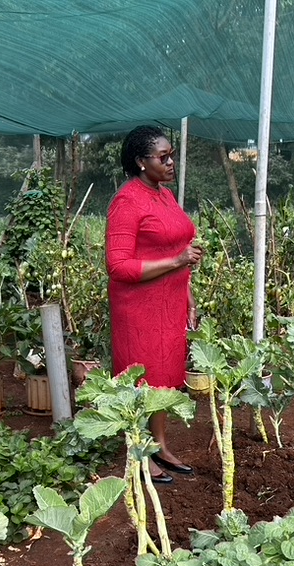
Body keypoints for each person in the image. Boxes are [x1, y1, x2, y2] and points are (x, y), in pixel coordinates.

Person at [105, 125, 203, 484]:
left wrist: (188, 295)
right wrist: (177, 262)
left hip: (170, 303)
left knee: (164, 379)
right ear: (140, 161)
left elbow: (177, 250)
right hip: (139, 307)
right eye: (163, 157)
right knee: (143, 379)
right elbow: (117, 265)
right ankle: (137, 453)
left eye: (171, 154)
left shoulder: (164, 195)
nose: (171, 162)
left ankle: (160, 445)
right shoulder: (127, 202)